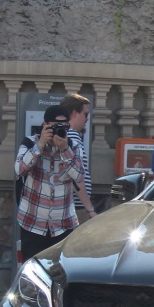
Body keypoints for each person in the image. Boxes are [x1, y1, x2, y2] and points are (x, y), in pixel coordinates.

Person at [16, 102, 85, 259]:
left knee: (59, 275)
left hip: (63, 225)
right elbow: (19, 169)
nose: (58, 131)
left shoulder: (73, 147)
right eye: (54, 127)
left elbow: (79, 176)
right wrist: (39, 146)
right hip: (32, 224)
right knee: (33, 275)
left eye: (63, 127)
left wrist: (65, 150)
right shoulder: (30, 143)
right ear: (44, 125)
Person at [59, 93, 98, 224]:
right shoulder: (72, 138)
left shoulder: (65, 135)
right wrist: (90, 209)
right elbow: (76, 176)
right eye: (85, 114)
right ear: (75, 113)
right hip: (75, 207)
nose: (87, 119)